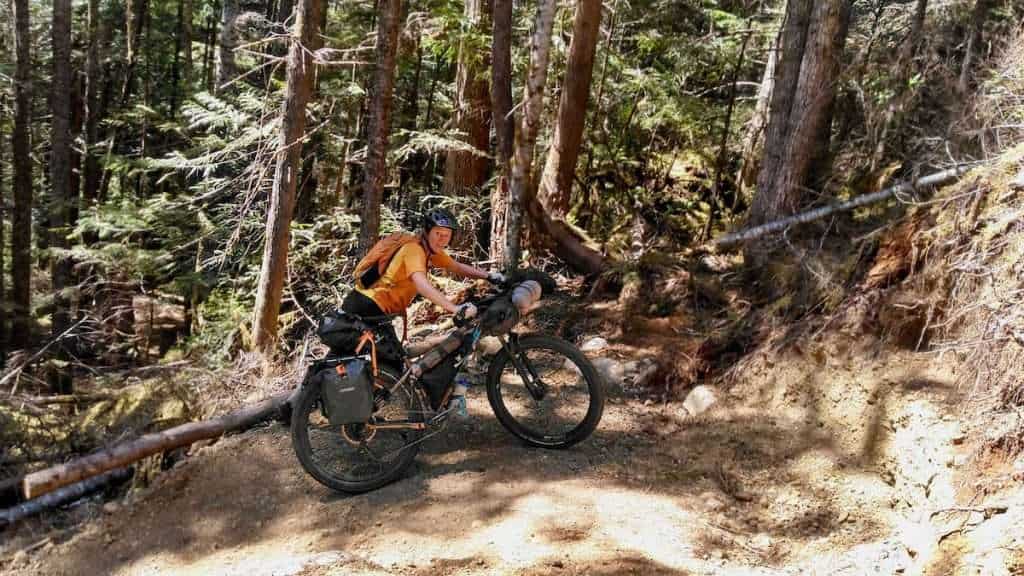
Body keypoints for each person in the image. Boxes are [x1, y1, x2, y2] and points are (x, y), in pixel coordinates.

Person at [339, 207, 505, 355]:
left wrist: (489, 276)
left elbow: (457, 267)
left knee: (384, 360)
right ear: (427, 231)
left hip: (374, 307)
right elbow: (422, 285)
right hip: (367, 305)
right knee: (389, 361)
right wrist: (454, 308)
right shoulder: (414, 250)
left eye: (446, 235)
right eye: (438, 233)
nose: (442, 239)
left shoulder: (429, 250)